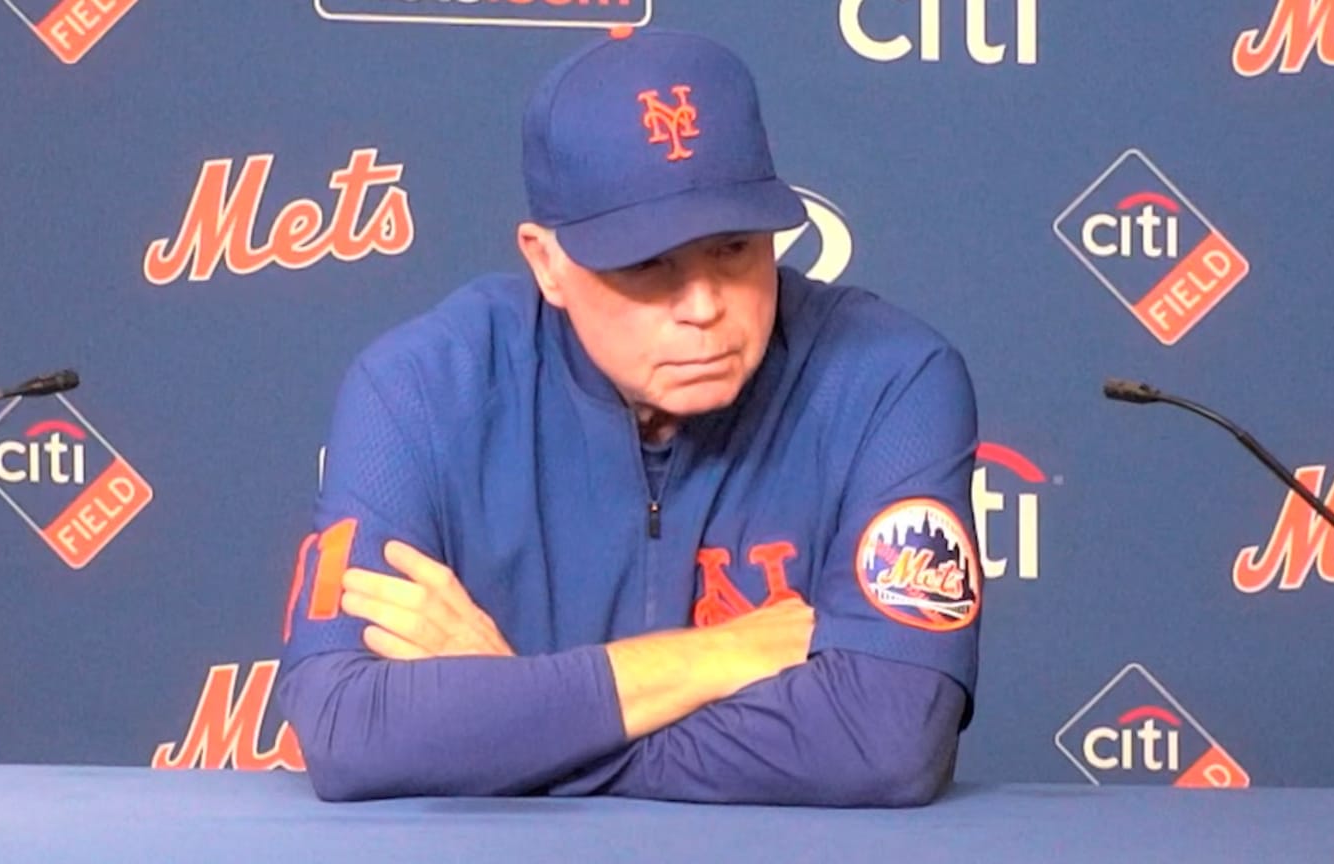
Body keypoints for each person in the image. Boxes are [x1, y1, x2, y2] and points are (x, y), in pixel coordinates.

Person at [277, 27, 980, 807]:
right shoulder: (419, 389)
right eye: (648, 265)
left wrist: (514, 716)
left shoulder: (888, 378)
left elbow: (888, 740)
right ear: (546, 262)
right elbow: (346, 730)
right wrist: (709, 659)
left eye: (736, 248)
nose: (706, 305)